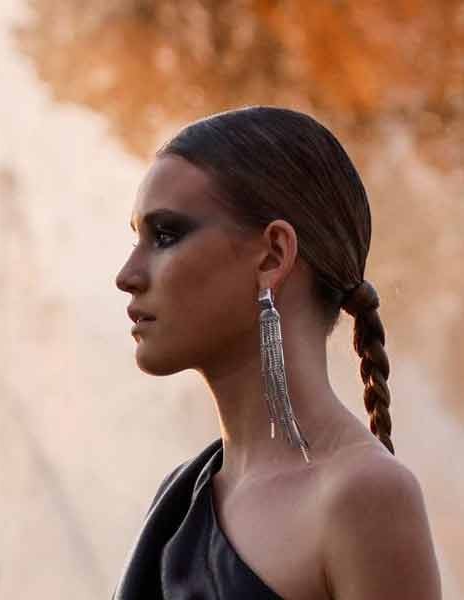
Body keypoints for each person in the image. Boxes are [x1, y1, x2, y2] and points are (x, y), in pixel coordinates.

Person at [113, 107, 441, 599]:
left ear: (272, 256)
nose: (127, 275)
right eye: (136, 238)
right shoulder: (177, 502)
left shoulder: (363, 496)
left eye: (165, 236)